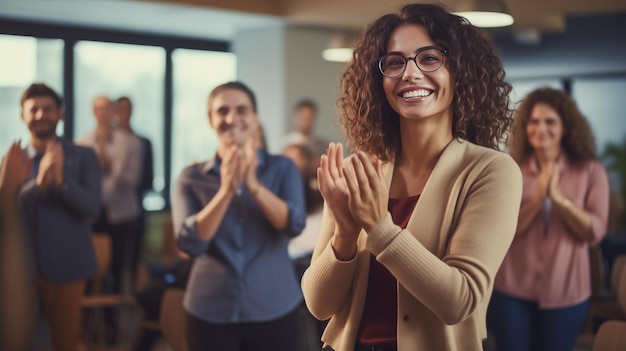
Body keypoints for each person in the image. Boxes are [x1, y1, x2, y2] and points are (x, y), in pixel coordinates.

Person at [300, 3, 523, 351]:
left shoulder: (490, 171)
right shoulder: (358, 170)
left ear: (459, 71)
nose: (410, 73)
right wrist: (345, 233)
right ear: (380, 80)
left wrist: (379, 229)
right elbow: (319, 305)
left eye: (429, 58)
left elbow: (460, 301)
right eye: (395, 62)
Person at [171, 81, 307, 351]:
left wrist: (253, 185)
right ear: (210, 120)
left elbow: (293, 224)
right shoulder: (191, 178)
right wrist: (225, 191)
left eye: (241, 110)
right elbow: (190, 244)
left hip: (275, 306)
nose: (232, 118)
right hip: (210, 310)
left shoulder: (283, 169)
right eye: (222, 111)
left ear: (255, 119)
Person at [488, 87, 610, 351]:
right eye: (533, 121)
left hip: (566, 294)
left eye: (549, 121)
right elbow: (505, 229)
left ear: (565, 127)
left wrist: (559, 198)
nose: (540, 128)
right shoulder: (510, 170)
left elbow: (595, 233)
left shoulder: (590, 171)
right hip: (511, 292)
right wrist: (538, 196)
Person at [10, 83, 102, 351]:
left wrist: (61, 182)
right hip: (18, 270)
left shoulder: (84, 156)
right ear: (22, 115)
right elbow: (7, 212)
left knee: (66, 342)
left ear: (60, 113)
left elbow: (92, 209)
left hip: (68, 266)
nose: (41, 115)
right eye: (34, 109)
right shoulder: (11, 161)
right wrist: (37, 184)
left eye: (48, 109)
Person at [78, 95, 142, 294]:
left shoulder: (130, 142)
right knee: (89, 267)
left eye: (106, 108)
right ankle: (91, 320)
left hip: (120, 214)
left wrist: (110, 166)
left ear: (113, 111)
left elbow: (133, 181)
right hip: (92, 215)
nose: (102, 113)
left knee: (117, 267)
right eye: (98, 108)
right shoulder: (83, 143)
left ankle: (112, 320)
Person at [115, 96, 154, 286]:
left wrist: (126, 182)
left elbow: (148, 180)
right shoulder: (107, 143)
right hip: (110, 214)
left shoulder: (142, 142)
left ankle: (133, 305)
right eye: (120, 109)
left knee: (135, 261)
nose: (124, 113)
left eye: (127, 109)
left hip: (136, 209)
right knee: (114, 265)